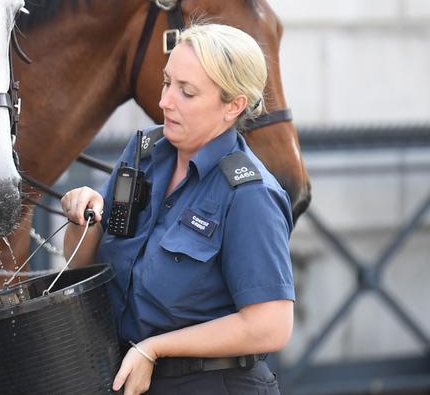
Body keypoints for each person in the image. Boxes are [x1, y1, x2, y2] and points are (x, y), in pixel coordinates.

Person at [59, 23, 295, 395]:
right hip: (124, 374)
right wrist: (83, 217)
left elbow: (271, 325)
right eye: (167, 83)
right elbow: (80, 267)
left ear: (233, 106)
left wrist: (155, 348)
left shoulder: (250, 194)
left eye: (187, 92)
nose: (166, 101)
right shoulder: (145, 153)